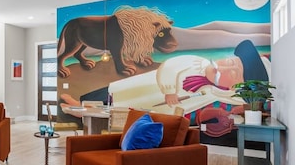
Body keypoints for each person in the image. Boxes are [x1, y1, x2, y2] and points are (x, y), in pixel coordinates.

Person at [61, 39, 270, 118]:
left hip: (152, 105)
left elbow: (237, 99)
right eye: (231, 62)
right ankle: (80, 105)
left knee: (119, 110)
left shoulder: (217, 92)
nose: (226, 66)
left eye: (233, 73)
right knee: (111, 94)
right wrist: (170, 89)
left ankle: (84, 114)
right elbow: (169, 66)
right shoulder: (196, 62)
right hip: (145, 88)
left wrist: (246, 107)